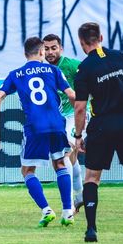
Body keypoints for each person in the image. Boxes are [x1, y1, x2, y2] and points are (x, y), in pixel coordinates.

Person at [0, 37, 76, 227]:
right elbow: (71, 95)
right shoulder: (53, 70)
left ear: (25, 54)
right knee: (60, 163)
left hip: (35, 127)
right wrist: (79, 121)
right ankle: (68, 212)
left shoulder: (16, 74)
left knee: (27, 170)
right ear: (42, 52)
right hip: (57, 124)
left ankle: (47, 210)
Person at [73, 22, 123, 242]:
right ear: (101, 37)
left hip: (101, 126)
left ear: (81, 42)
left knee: (92, 177)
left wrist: (78, 136)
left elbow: (80, 107)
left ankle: (91, 229)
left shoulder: (84, 68)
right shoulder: (122, 56)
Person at [42, 34, 85, 212]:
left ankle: (69, 206)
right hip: (57, 120)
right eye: (46, 48)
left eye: (54, 48)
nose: (50, 52)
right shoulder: (42, 69)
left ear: (61, 48)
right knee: (71, 157)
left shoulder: (72, 65)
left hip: (76, 115)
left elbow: (92, 79)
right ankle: (80, 196)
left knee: (64, 154)